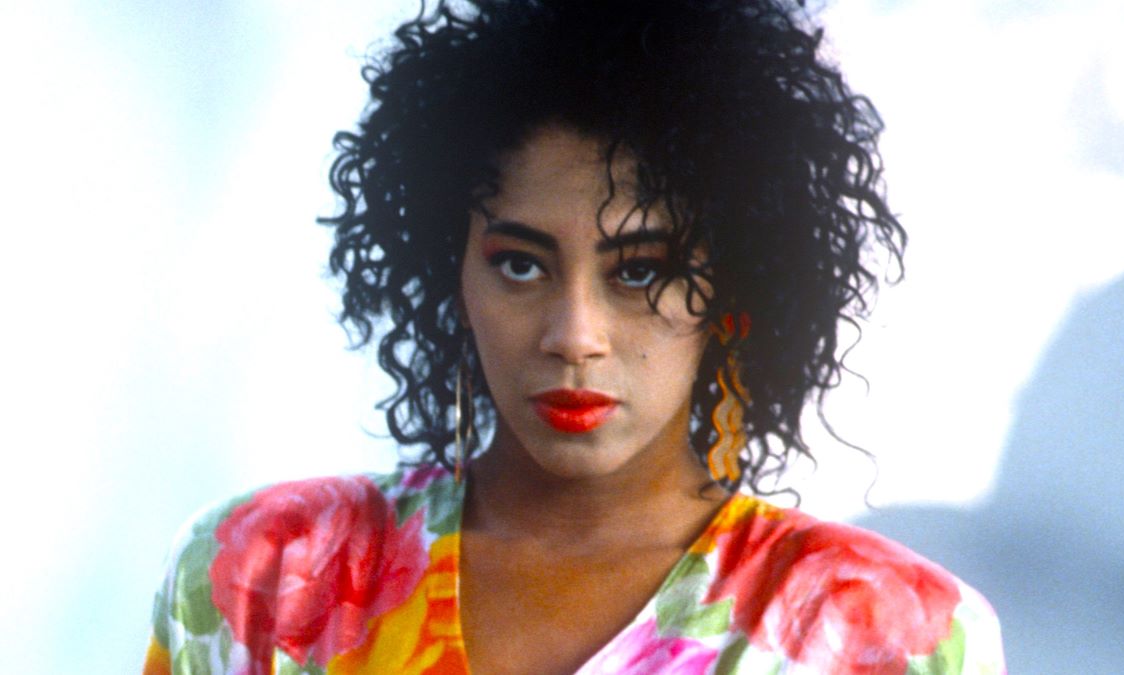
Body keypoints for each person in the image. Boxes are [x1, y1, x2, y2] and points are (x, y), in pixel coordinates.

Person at [143, 1, 1005, 673]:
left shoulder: (891, 633)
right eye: (520, 264)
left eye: (639, 271)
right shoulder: (262, 574)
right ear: (451, 273)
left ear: (736, 290)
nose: (574, 334)